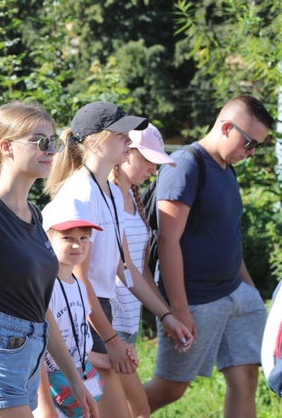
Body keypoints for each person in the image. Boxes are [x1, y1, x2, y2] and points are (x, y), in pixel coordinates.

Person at [0, 101, 98, 418]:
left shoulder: (35, 215)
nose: (50, 149)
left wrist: (75, 379)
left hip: (28, 354)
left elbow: (41, 310)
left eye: (53, 141)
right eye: (40, 141)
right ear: (6, 147)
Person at [44, 102, 193, 418]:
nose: (130, 140)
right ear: (95, 139)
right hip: (83, 316)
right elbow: (78, 280)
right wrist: (110, 340)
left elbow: (125, 268)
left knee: (138, 408)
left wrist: (166, 316)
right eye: (122, 133)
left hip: (98, 313)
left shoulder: (108, 192)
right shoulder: (80, 195)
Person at [143, 96, 274, 417]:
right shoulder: (187, 164)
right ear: (226, 127)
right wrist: (178, 309)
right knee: (171, 387)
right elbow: (168, 240)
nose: (251, 152)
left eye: (258, 146)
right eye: (249, 142)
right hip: (197, 299)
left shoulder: (227, 168)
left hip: (237, 294)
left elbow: (228, 236)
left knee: (246, 377)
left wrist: (251, 291)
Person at [108, 123, 175, 418]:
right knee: (137, 409)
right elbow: (122, 267)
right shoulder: (105, 196)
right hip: (107, 322)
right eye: (148, 159)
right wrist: (166, 315)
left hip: (129, 320)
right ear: (126, 151)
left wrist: (166, 314)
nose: (153, 169)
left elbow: (140, 267)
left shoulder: (134, 196)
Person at [37, 198, 109, 418]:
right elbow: (37, 352)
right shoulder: (44, 287)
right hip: (50, 390)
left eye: (84, 237)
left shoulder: (78, 284)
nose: (78, 245)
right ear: (47, 239)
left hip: (75, 384)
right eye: (68, 237)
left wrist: (108, 361)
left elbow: (78, 346)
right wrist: (45, 407)